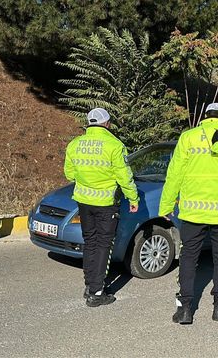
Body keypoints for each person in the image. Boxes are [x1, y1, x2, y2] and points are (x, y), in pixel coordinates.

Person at [159, 102, 218, 325]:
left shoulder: (188, 137)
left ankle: (184, 309)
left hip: (193, 212)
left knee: (189, 257)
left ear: (205, 116)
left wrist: (166, 206)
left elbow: (174, 174)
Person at [64, 108, 139, 307]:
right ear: (107, 124)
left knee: (90, 242)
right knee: (104, 245)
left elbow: (69, 174)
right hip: (106, 203)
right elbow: (124, 177)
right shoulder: (115, 145)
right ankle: (97, 291)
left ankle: (89, 285)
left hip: (83, 201)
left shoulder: (75, 144)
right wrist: (133, 198)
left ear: (89, 123)